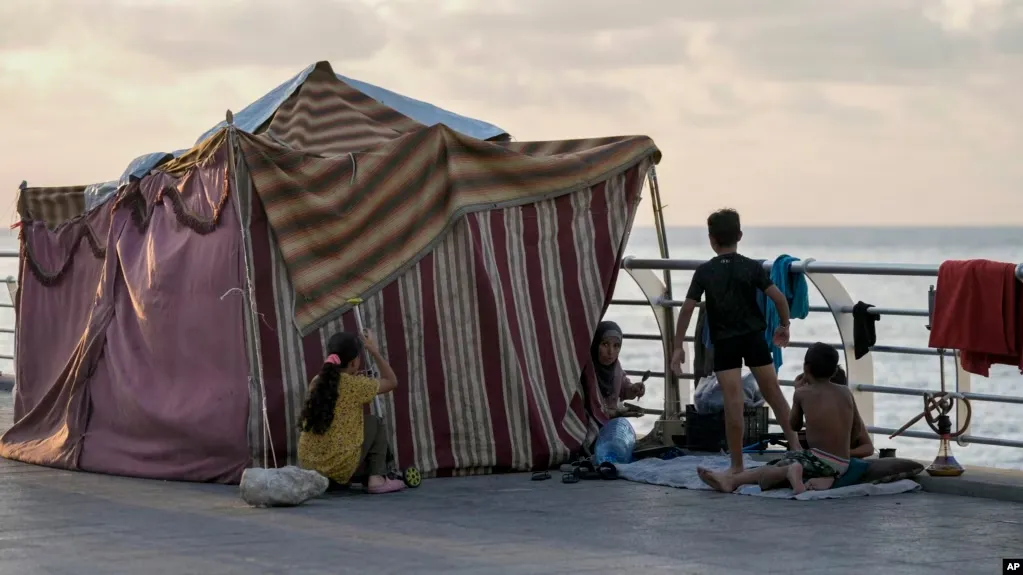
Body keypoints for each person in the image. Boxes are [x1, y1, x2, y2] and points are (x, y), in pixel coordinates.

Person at [670, 208, 801, 473]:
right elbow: (777, 298)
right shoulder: (751, 266)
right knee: (773, 393)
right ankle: (797, 450)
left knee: (733, 402)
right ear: (739, 235)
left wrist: (677, 347)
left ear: (711, 239)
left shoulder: (705, 271)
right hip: (753, 338)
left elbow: (686, 309)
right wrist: (784, 327)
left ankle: (737, 464)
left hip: (725, 343)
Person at [698, 342, 874, 494]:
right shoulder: (845, 392)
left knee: (769, 472)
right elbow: (858, 432)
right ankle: (823, 478)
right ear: (835, 370)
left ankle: (734, 481)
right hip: (842, 464)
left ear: (806, 368)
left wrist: (797, 393)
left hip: (820, 460)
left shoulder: (803, 394)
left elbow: (794, 425)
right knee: (795, 463)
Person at [298, 329, 406, 494]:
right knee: (374, 422)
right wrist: (374, 351)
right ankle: (376, 478)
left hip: (309, 470)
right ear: (354, 362)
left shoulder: (317, 381)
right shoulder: (356, 385)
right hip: (337, 472)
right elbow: (392, 381)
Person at [590, 321, 645, 417]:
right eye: (605, 344)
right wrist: (614, 413)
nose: (611, 352)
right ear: (595, 343)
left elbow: (622, 386)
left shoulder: (615, 367)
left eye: (616, 346)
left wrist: (633, 389)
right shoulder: (584, 370)